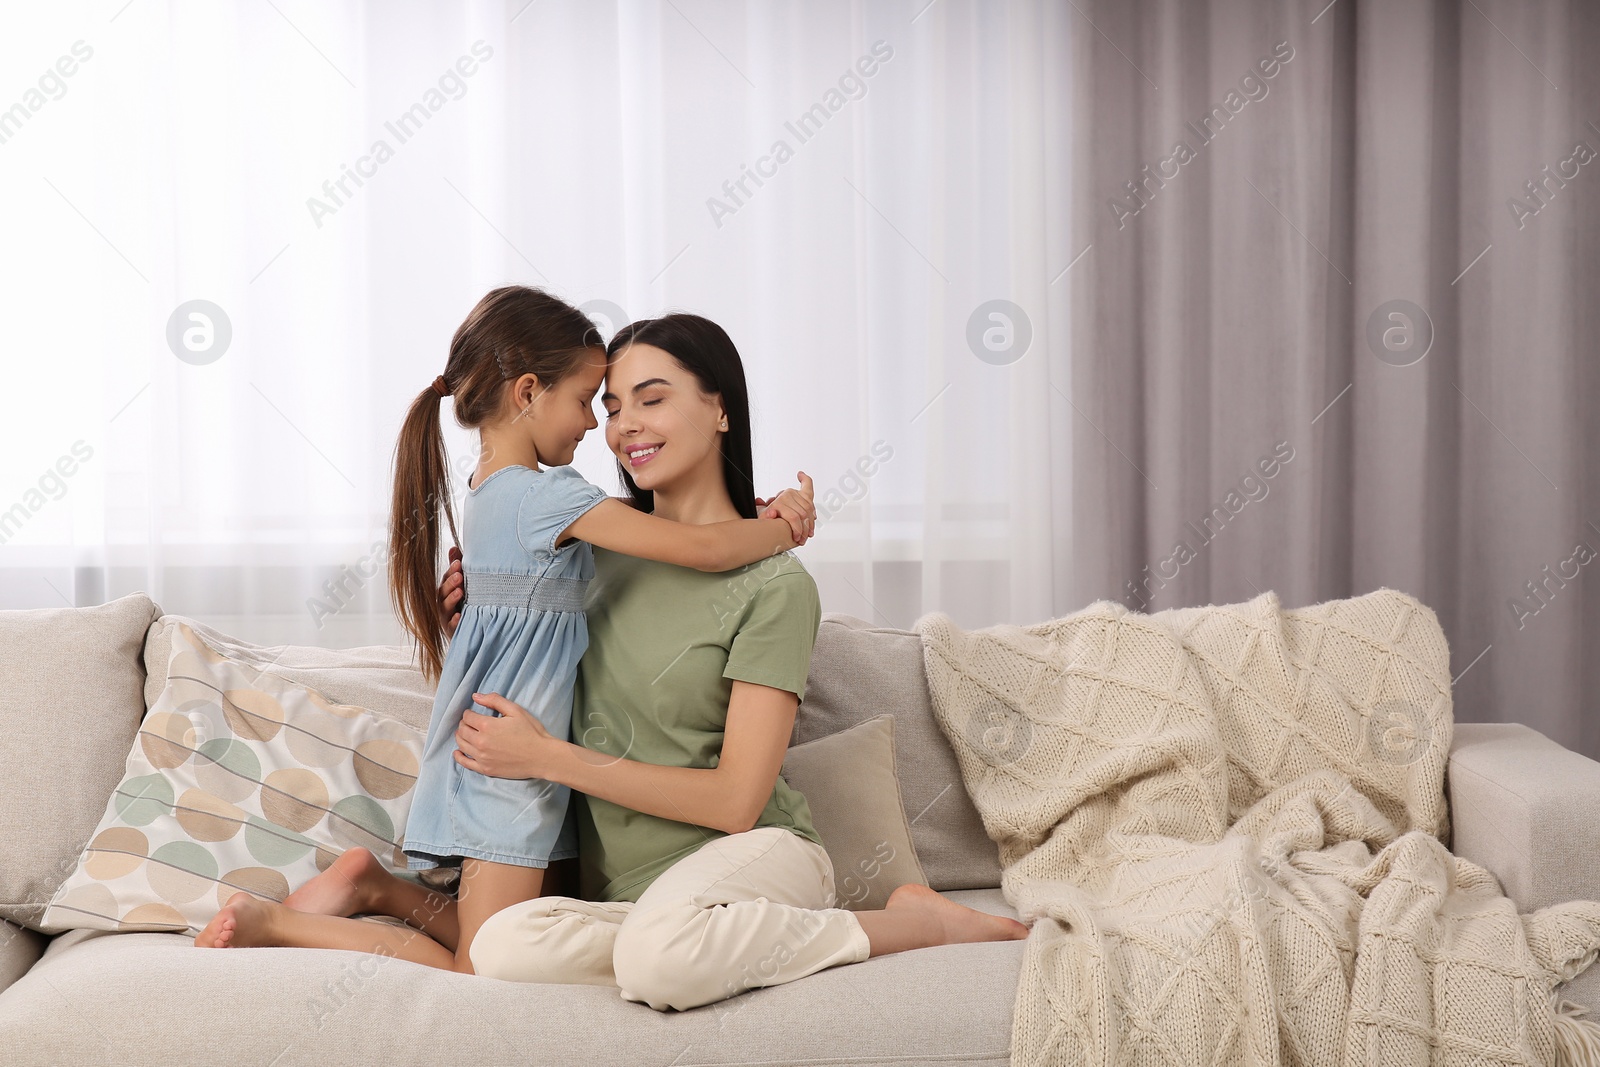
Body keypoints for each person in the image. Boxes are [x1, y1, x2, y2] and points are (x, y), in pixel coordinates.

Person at [192, 289, 816, 976]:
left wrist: (769, 529)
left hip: (737, 857)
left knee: (529, 957)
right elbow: (660, 564)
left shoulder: (770, 586)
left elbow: (735, 799)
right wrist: (478, 616)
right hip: (597, 866)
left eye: (651, 398)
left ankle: (882, 925)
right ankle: (375, 889)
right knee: (496, 954)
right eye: (604, 404)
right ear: (529, 391)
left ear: (721, 406)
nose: (616, 426)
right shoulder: (587, 551)